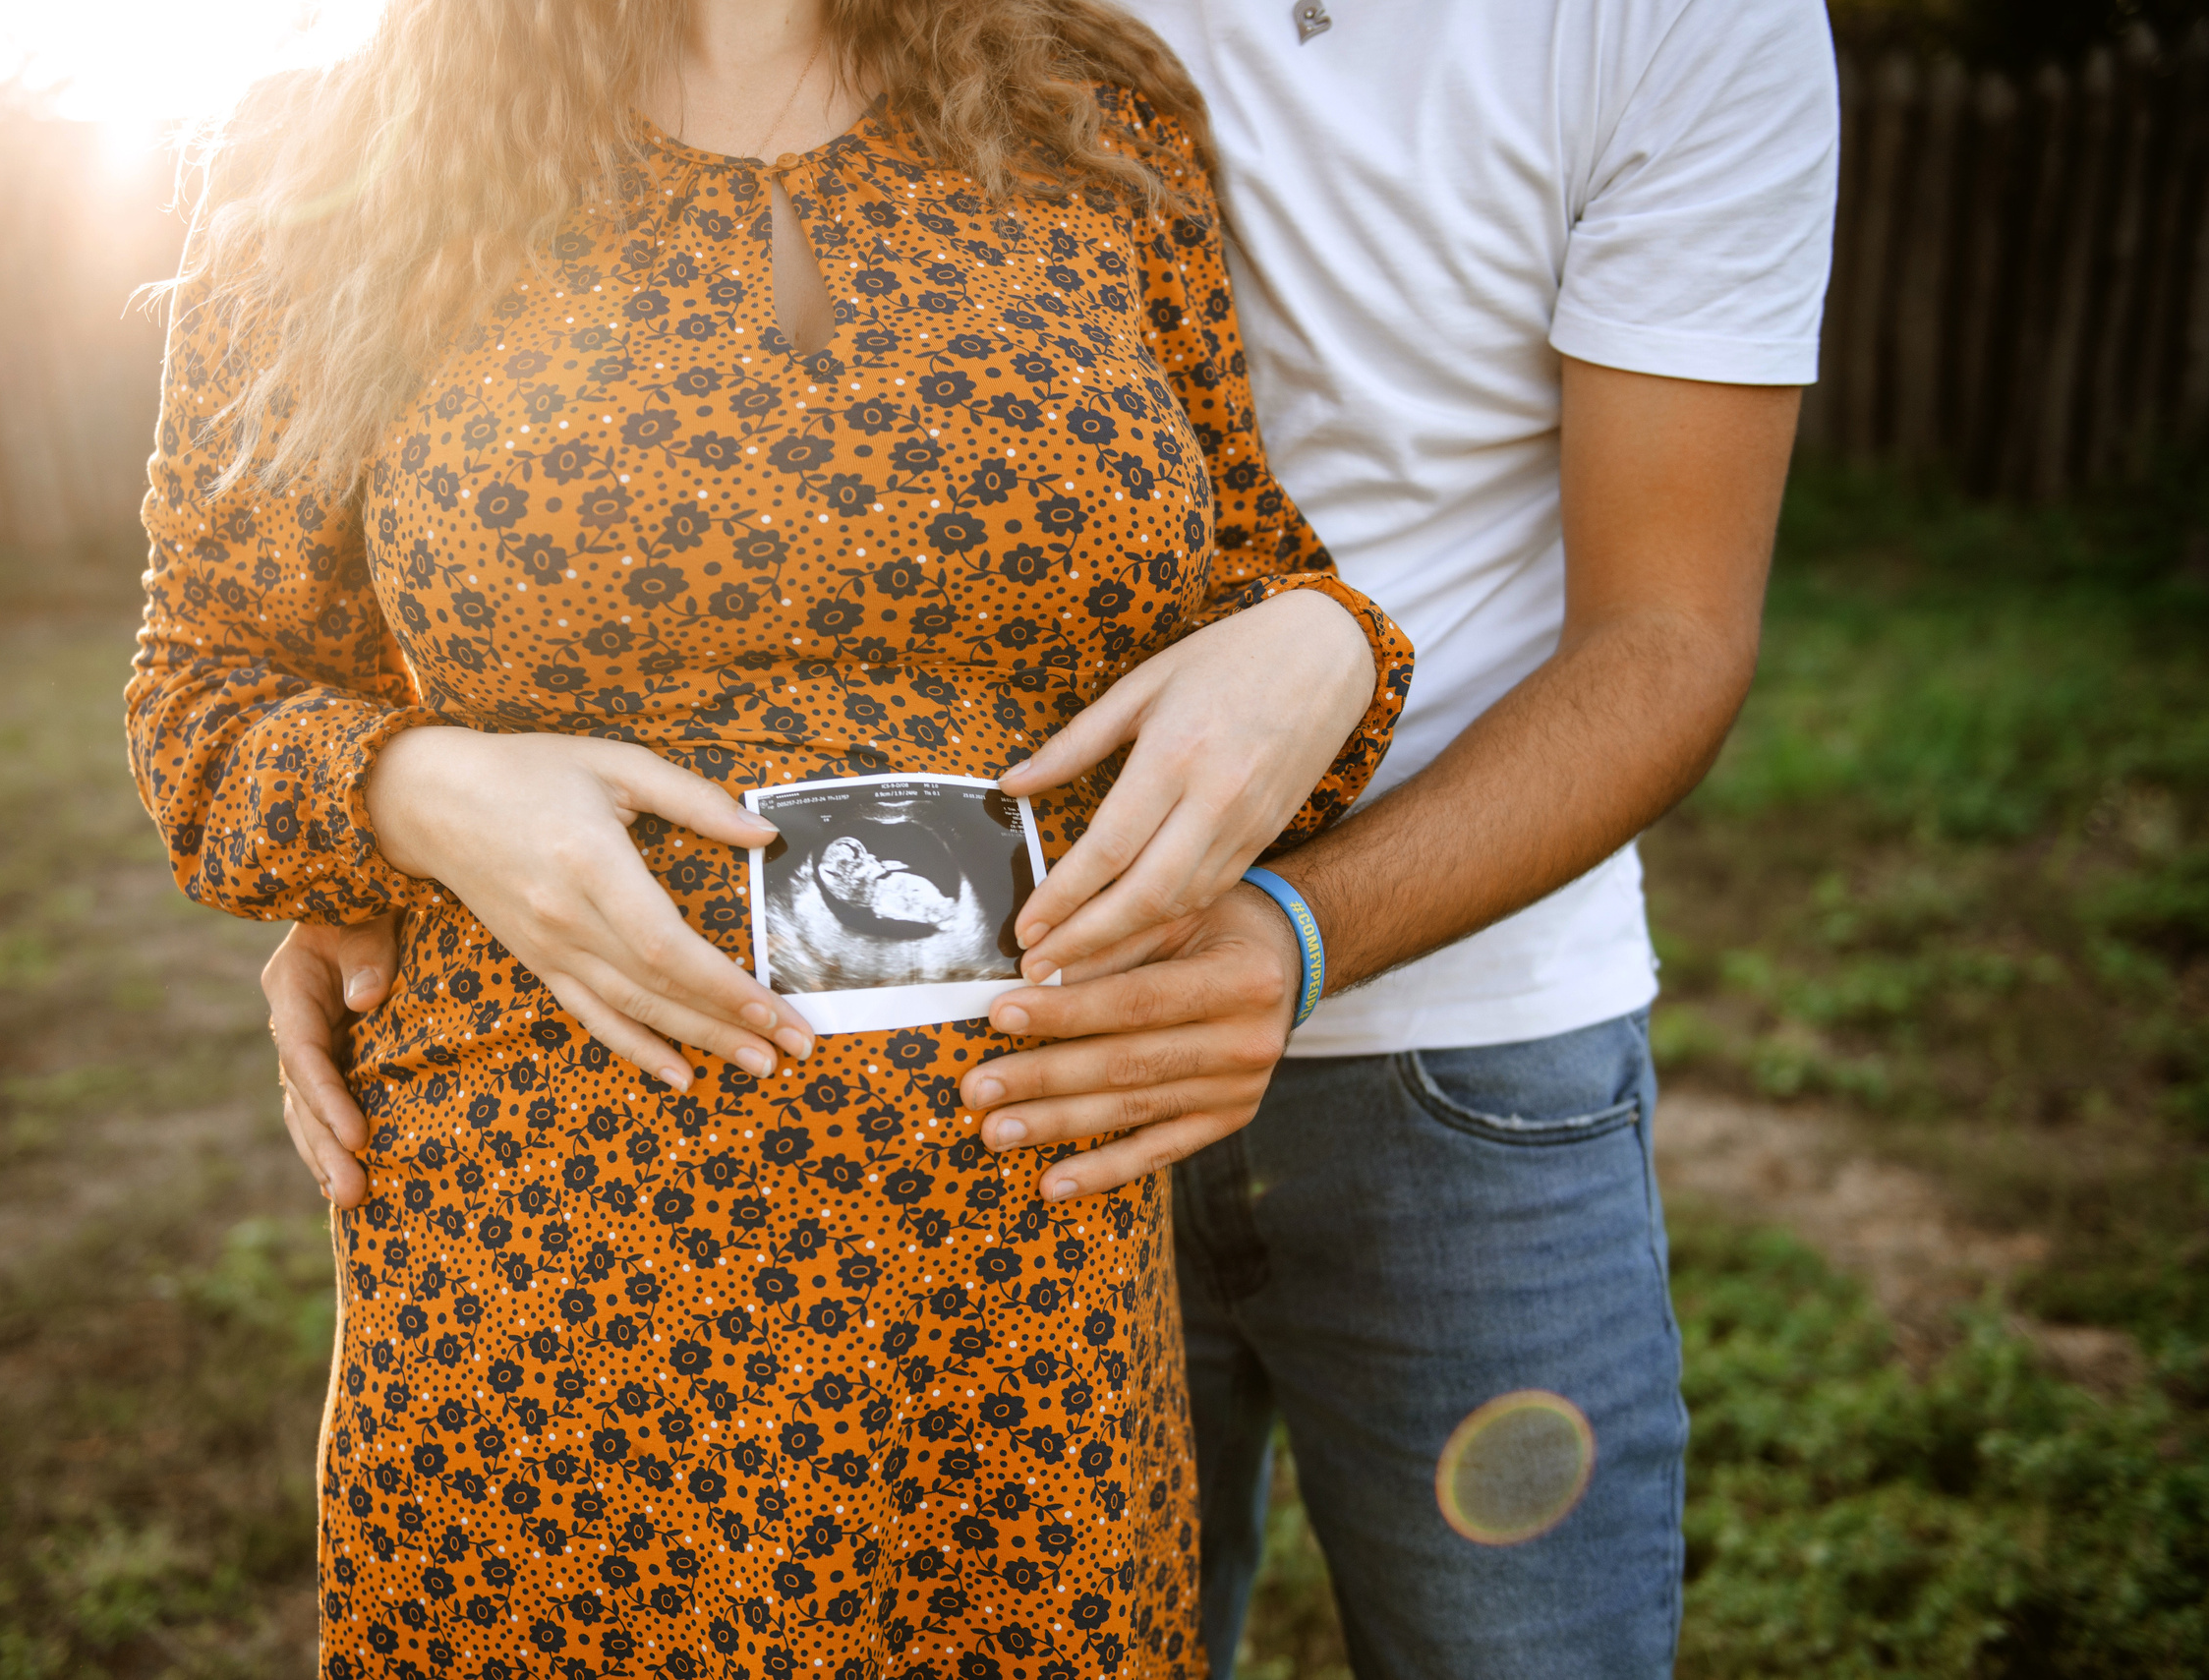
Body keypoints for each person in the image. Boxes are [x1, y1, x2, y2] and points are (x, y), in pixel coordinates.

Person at [272, 1, 1841, 1674]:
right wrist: (381, 842)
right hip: (981, 1096)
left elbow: (1669, 638)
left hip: (1451, 1042)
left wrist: (1292, 909)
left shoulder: (1684, 19)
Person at [129, 0, 1414, 1672]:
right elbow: (202, 691)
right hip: (549, 1275)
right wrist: (421, 791)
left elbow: (1238, 562)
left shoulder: (1092, 115)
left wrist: (1325, 642)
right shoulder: (322, 157)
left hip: (1021, 1276)